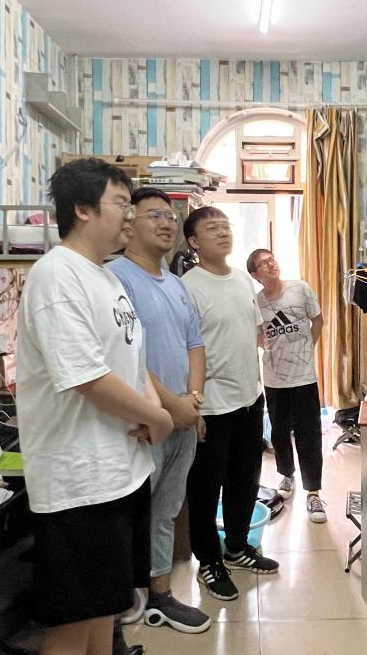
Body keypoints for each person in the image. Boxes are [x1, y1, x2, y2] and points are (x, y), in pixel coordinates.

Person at [15, 158, 174, 655]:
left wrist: (150, 409)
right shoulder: (56, 275)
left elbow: (130, 359)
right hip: (79, 482)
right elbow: (85, 375)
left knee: (106, 610)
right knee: (72, 625)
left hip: (118, 473)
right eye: (121, 203)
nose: (131, 215)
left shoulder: (105, 276)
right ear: (82, 209)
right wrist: (157, 416)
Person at [109, 188, 212, 634]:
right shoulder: (115, 278)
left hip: (181, 419)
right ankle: (118, 599)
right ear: (128, 223)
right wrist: (171, 408)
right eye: (155, 215)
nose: (167, 223)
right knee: (130, 513)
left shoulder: (175, 283)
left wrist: (194, 402)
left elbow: (195, 345)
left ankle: (161, 594)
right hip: (143, 422)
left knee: (166, 510)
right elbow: (125, 355)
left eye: (171, 216)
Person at [181, 207, 280, 602]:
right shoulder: (188, 287)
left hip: (249, 399)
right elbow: (184, 350)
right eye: (212, 228)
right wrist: (193, 405)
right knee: (205, 490)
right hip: (211, 406)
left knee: (245, 481)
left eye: (225, 227)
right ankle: (209, 561)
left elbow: (254, 332)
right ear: (193, 242)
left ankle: (237, 548)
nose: (223, 233)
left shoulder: (241, 278)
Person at [247, 248, 327, 523]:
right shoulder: (256, 302)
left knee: (309, 434)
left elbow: (318, 320)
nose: (271, 264)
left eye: (272, 259)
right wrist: (271, 349)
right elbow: (257, 335)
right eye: (263, 264)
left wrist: (306, 349)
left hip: (304, 377)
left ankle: (313, 491)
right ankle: (287, 475)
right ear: (255, 275)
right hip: (274, 378)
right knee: (279, 432)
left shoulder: (300, 289)